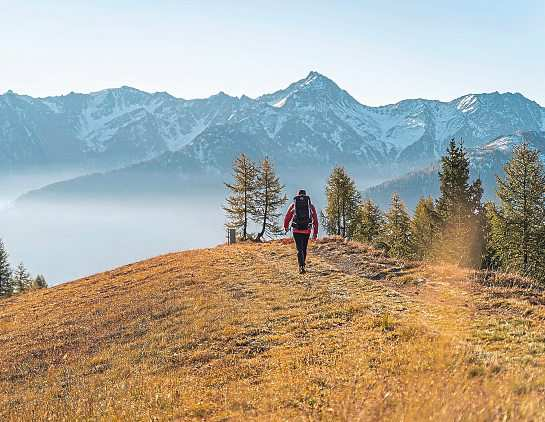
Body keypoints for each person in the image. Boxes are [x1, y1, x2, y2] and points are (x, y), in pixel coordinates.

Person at [283, 189, 318, 274]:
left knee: (299, 249)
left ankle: (301, 266)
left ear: (298, 195)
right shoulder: (310, 206)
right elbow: (315, 219)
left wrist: (286, 227)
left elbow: (288, 216)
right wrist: (315, 233)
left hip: (296, 230)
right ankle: (303, 265)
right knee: (304, 248)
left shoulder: (293, 205)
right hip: (307, 230)